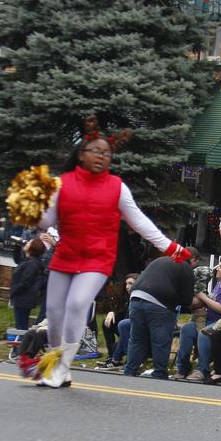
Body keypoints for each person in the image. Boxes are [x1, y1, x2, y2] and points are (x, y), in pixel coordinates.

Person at [32, 119, 190, 388]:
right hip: (66, 256)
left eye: (106, 153)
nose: (101, 156)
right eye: (95, 150)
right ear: (81, 154)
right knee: (55, 312)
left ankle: (62, 366)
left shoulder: (117, 187)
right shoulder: (62, 183)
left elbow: (138, 221)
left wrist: (169, 246)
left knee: (77, 304)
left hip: (97, 259)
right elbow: (45, 221)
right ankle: (55, 365)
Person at [122, 255, 194, 379]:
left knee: (137, 338)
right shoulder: (185, 267)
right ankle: (159, 373)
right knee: (160, 339)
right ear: (192, 261)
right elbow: (187, 300)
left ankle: (130, 370)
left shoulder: (160, 260)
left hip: (135, 297)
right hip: (159, 303)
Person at [174, 260, 221, 381]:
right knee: (187, 329)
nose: (217, 268)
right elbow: (211, 302)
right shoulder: (219, 284)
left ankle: (202, 370)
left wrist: (202, 296)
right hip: (207, 319)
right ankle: (182, 368)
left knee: (204, 333)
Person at [99, 272, 137, 366]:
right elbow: (123, 313)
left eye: (130, 283)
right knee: (107, 323)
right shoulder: (127, 298)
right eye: (126, 284)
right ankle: (111, 356)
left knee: (124, 327)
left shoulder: (140, 299)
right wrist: (112, 313)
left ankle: (116, 359)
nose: (127, 286)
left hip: (136, 331)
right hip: (126, 329)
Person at [9, 238, 47, 330]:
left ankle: (21, 343)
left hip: (24, 298)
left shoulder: (32, 264)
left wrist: (13, 291)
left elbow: (25, 282)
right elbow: (17, 258)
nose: (27, 242)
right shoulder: (27, 260)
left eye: (30, 242)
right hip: (22, 297)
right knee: (20, 323)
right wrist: (18, 246)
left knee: (21, 325)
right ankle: (20, 343)